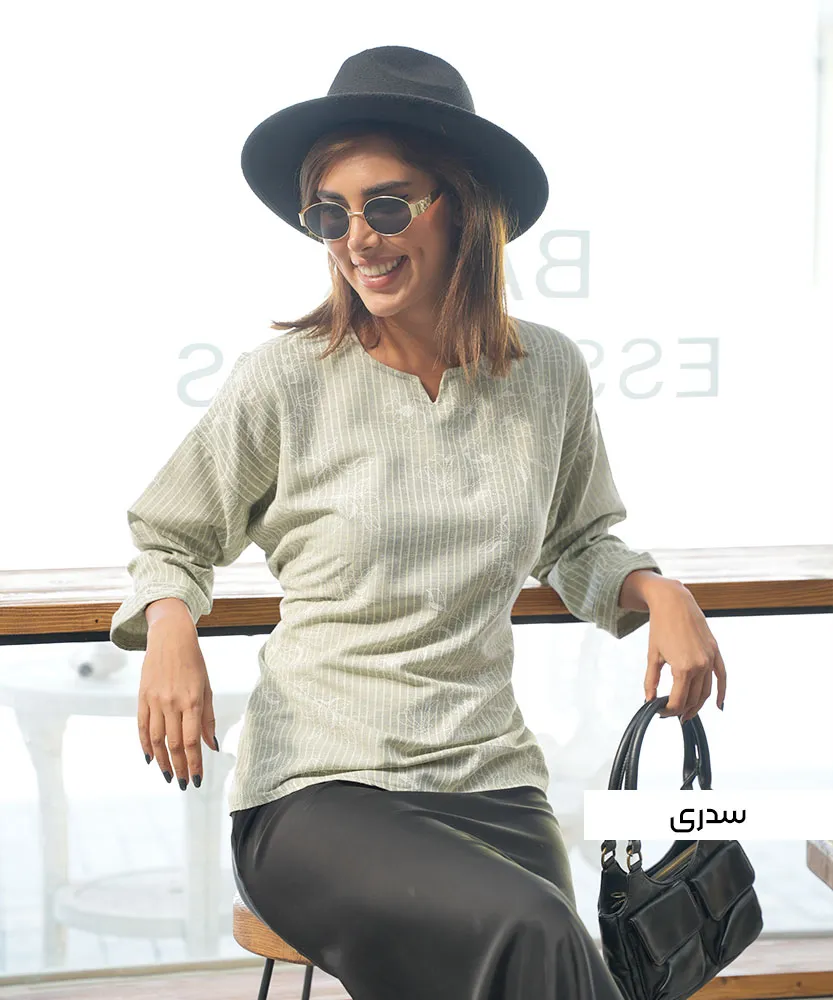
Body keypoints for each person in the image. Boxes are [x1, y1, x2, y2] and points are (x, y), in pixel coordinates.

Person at [110, 45, 727, 1000]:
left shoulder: (547, 374)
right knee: (535, 935)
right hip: (318, 793)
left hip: (493, 782)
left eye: (387, 207)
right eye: (330, 215)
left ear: (463, 208)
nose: (357, 239)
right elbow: (171, 536)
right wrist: (168, 627)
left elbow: (577, 539)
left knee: (543, 941)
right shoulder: (283, 382)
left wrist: (659, 591)